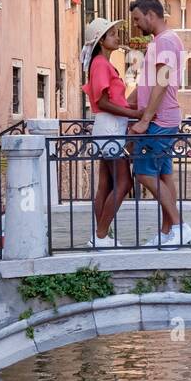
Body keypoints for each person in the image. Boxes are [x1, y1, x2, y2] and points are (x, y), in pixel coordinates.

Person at [127, 0, 191, 247]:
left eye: (137, 19)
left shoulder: (165, 42)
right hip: (164, 119)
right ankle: (169, 232)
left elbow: (162, 80)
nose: (135, 24)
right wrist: (125, 104)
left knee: (144, 173)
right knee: (164, 176)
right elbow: (147, 82)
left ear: (150, 15)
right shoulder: (162, 41)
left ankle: (179, 226)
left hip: (159, 121)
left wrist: (145, 119)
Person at [81, 17, 142, 248]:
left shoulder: (102, 63)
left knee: (105, 185)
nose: (118, 37)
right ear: (102, 40)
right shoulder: (100, 64)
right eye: (113, 34)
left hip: (109, 126)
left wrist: (135, 109)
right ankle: (100, 235)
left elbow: (113, 101)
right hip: (109, 128)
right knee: (124, 183)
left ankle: (100, 236)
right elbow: (103, 102)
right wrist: (136, 115)